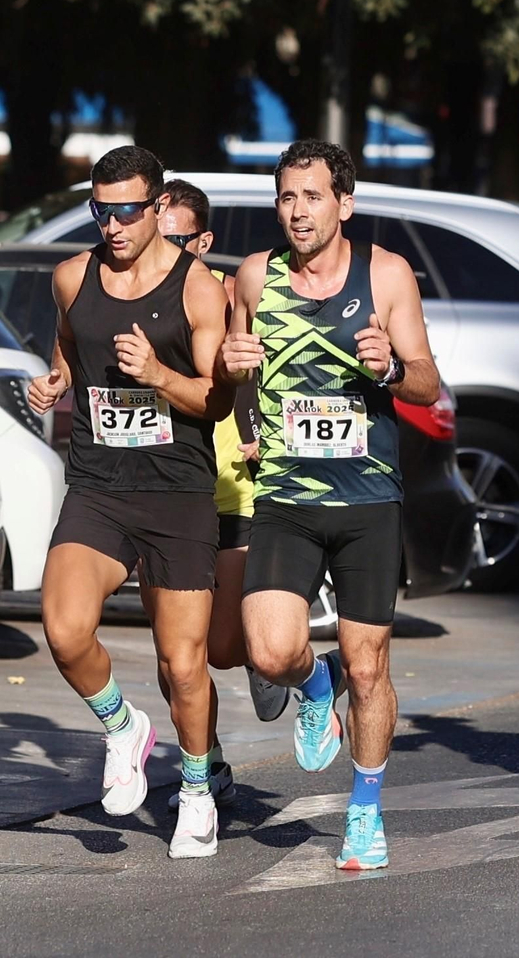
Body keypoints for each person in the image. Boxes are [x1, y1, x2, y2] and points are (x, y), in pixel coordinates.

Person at [219, 140, 440, 870]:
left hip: (368, 498)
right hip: (285, 495)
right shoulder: (254, 277)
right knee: (270, 650)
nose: (297, 211)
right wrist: (230, 370)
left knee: (370, 665)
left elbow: (427, 385)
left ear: (344, 203)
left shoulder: (385, 274)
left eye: (312, 197)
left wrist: (391, 366)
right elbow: (229, 384)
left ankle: (366, 813)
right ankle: (316, 686)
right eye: (286, 197)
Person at [25, 146, 232, 859]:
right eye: (100, 210)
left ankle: (198, 792)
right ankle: (123, 729)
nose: (112, 225)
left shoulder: (199, 288)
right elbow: (67, 346)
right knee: (64, 630)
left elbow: (214, 397)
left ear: (156, 207)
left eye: (126, 212)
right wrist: (54, 381)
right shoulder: (71, 277)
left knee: (183, 665)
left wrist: (157, 374)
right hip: (98, 485)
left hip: (177, 492)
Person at [156, 180, 291, 782]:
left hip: (236, 490)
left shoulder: (238, 296)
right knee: (175, 656)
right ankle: (205, 763)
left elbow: (278, 375)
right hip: (165, 491)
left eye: (176, 241)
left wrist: (271, 432)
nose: (158, 250)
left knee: (223, 650)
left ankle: (271, 659)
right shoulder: (132, 297)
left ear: (205, 241)